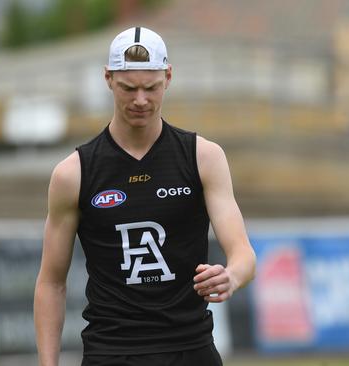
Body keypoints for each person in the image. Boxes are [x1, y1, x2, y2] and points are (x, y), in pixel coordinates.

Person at [34, 26, 256, 366]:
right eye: (128, 88)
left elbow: (243, 253)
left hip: (190, 347)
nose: (140, 100)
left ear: (168, 77)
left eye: (151, 88)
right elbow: (51, 283)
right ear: (108, 79)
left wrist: (232, 276)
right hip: (111, 351)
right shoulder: (73, 173)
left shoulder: (203, 157)